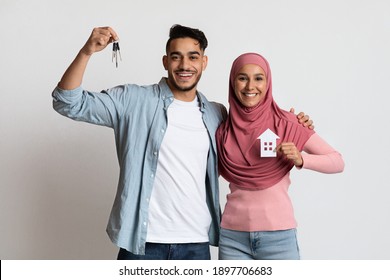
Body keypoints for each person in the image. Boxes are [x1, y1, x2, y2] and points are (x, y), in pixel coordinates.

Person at [52, 25, 312, 260]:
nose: (184, 65)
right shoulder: (133, 101)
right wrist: (86, 52)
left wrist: (294, 123)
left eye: (193, 57)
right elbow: (68, 102)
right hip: (143, 245)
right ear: (166, 61)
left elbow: (254, 132)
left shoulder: (216, 114)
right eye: (176, 56)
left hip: (196, 245)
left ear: (204, 63)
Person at [216, 53, 344, 260]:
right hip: (232, 239)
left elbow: (337, 161)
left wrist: (302, 159)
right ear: (232, 82)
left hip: (279, 239)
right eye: (242, 78)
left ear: (268, 83)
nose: (250, 86)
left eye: (258, 78)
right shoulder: (222, 130)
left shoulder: (288, 123)